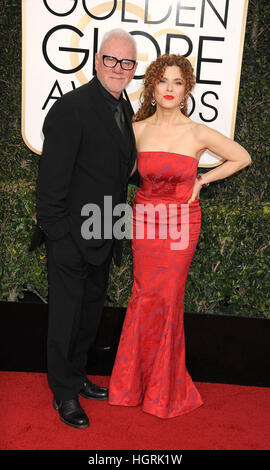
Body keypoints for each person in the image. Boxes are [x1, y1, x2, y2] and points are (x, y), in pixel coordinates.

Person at [108, 54, 252, 418]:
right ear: (153, 87)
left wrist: (203, 180)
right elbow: (112, 168)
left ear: (186, 89)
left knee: (168, 298)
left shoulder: (196, 131)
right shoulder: (137, 129)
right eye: (163, 81)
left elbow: (241, 157)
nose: (169, 88)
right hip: (144, 220)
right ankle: (130, 386)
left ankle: (162, 390)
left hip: (181, 222)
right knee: (143, 296)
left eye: (177, 82)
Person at [34, 29, 138, 429]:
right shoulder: (71, 107)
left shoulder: (124, 109)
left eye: (126, 63)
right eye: (111, 60)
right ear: (97, 61)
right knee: (65, 317)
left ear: (133, 70)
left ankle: (76, 377)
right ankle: (63, 394)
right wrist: (60, 238)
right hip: (71, 239)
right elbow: (50, 185)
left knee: (89, 314)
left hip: (106, 232)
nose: (118, 68)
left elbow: (114, 172)